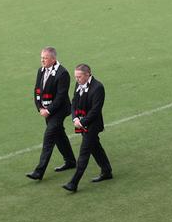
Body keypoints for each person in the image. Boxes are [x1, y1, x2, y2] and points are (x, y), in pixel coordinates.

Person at [26, 47, 76, 181]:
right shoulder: (41, 70)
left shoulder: (62, 73)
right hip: (46, 110)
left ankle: (39, 171)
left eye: (45, 58)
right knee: (59, 135)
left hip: (59, 110)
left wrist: (48, 111)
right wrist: (39, 107)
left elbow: (61, 96)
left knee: (49, 137)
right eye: (41, 57)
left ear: (53, 59)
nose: (42, 60)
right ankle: (70, 161)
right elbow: (37, 90)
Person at [63, 63, 113, 192]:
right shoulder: (79, 84)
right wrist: (75, 118)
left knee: (84, 152)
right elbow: (73, 101)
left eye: (79, 77)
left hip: (92, 125)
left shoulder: (98, 88)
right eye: (76, 77)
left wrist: (82, 122)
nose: (77, 79)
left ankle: (74, 183)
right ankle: (107, 171)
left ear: (87, 75)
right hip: (81, 123)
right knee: (95, 147)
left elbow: (95, 110)